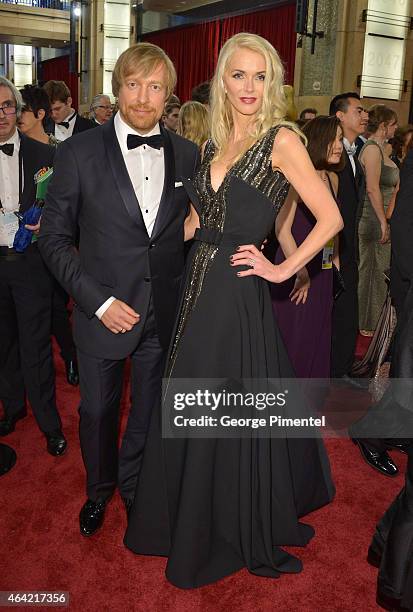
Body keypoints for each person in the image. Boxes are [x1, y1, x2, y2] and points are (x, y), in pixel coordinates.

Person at [124, 32, 342, 589]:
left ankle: (219, 526)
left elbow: (330, 217)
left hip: (236, 294)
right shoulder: (216, 141)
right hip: (197, 286)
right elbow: (203, 218)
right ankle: (182, 517)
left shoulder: (282, 139)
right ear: (223, 79)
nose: (249, 87)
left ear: (273, 82)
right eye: (238, 75)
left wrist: (281, 268)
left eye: (260, 76)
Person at [38, 43, 199, 536]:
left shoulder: (188, 154)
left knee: (149, 410)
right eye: (134, 85)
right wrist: (99, 301)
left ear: (168, 94)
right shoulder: (79, 152)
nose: (144, 98)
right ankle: (99, 490)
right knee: (98, 411)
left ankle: (134, 487)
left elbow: (185, 232)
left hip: (162, 313)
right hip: (100, 310)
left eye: (155, 87)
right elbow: (54, 238)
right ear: (117, 88)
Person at [330, 93, 399, 477]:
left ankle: (341, 368)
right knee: (338, 305)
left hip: (351, 242)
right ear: (340, 116)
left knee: (349, 307)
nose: (365, 115)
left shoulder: (356, 149)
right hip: (336, 245)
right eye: (359, 110)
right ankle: (332, 371)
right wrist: (331, 257)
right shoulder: (331, 149)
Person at [0, 77, 66, 456]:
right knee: (3, 343)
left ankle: (49, 421)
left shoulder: (46, 156)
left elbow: (65, 211)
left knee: (37, 346)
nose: (2, 115)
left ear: (19, 109)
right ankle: (11, 407)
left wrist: (51, 223)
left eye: (8, 106)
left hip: (31, 266)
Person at [272, 115, 344, 378]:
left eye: (340, 138)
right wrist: (299, 272)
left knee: (317, 334)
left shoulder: (333, 179)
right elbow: (283, 229)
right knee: (295, 337)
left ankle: (309, 402)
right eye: (334, 138)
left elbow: (331, 228)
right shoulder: (297, 176)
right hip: (295, 266)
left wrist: (334, 263)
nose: (339, 144)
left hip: (321, 269)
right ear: (317, 140)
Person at [18, 84, 79, 386]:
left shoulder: (60, 151)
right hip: (17, 251)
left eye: (22, 111)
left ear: (39, 114)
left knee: (56, 309)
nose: (16, 116)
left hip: (50, 246)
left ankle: (70, 356)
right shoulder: (10, 148)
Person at [358, 105, 399, 336]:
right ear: (383, 126)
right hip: (373, 218)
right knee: (371, 271)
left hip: (383, 217)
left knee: (380, 271)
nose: (396, 128)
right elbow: (372, 189)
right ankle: (367, 324)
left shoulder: (385, 150)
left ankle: (376, 322)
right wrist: (383, 222)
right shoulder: (372, 149)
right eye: (392, 124)